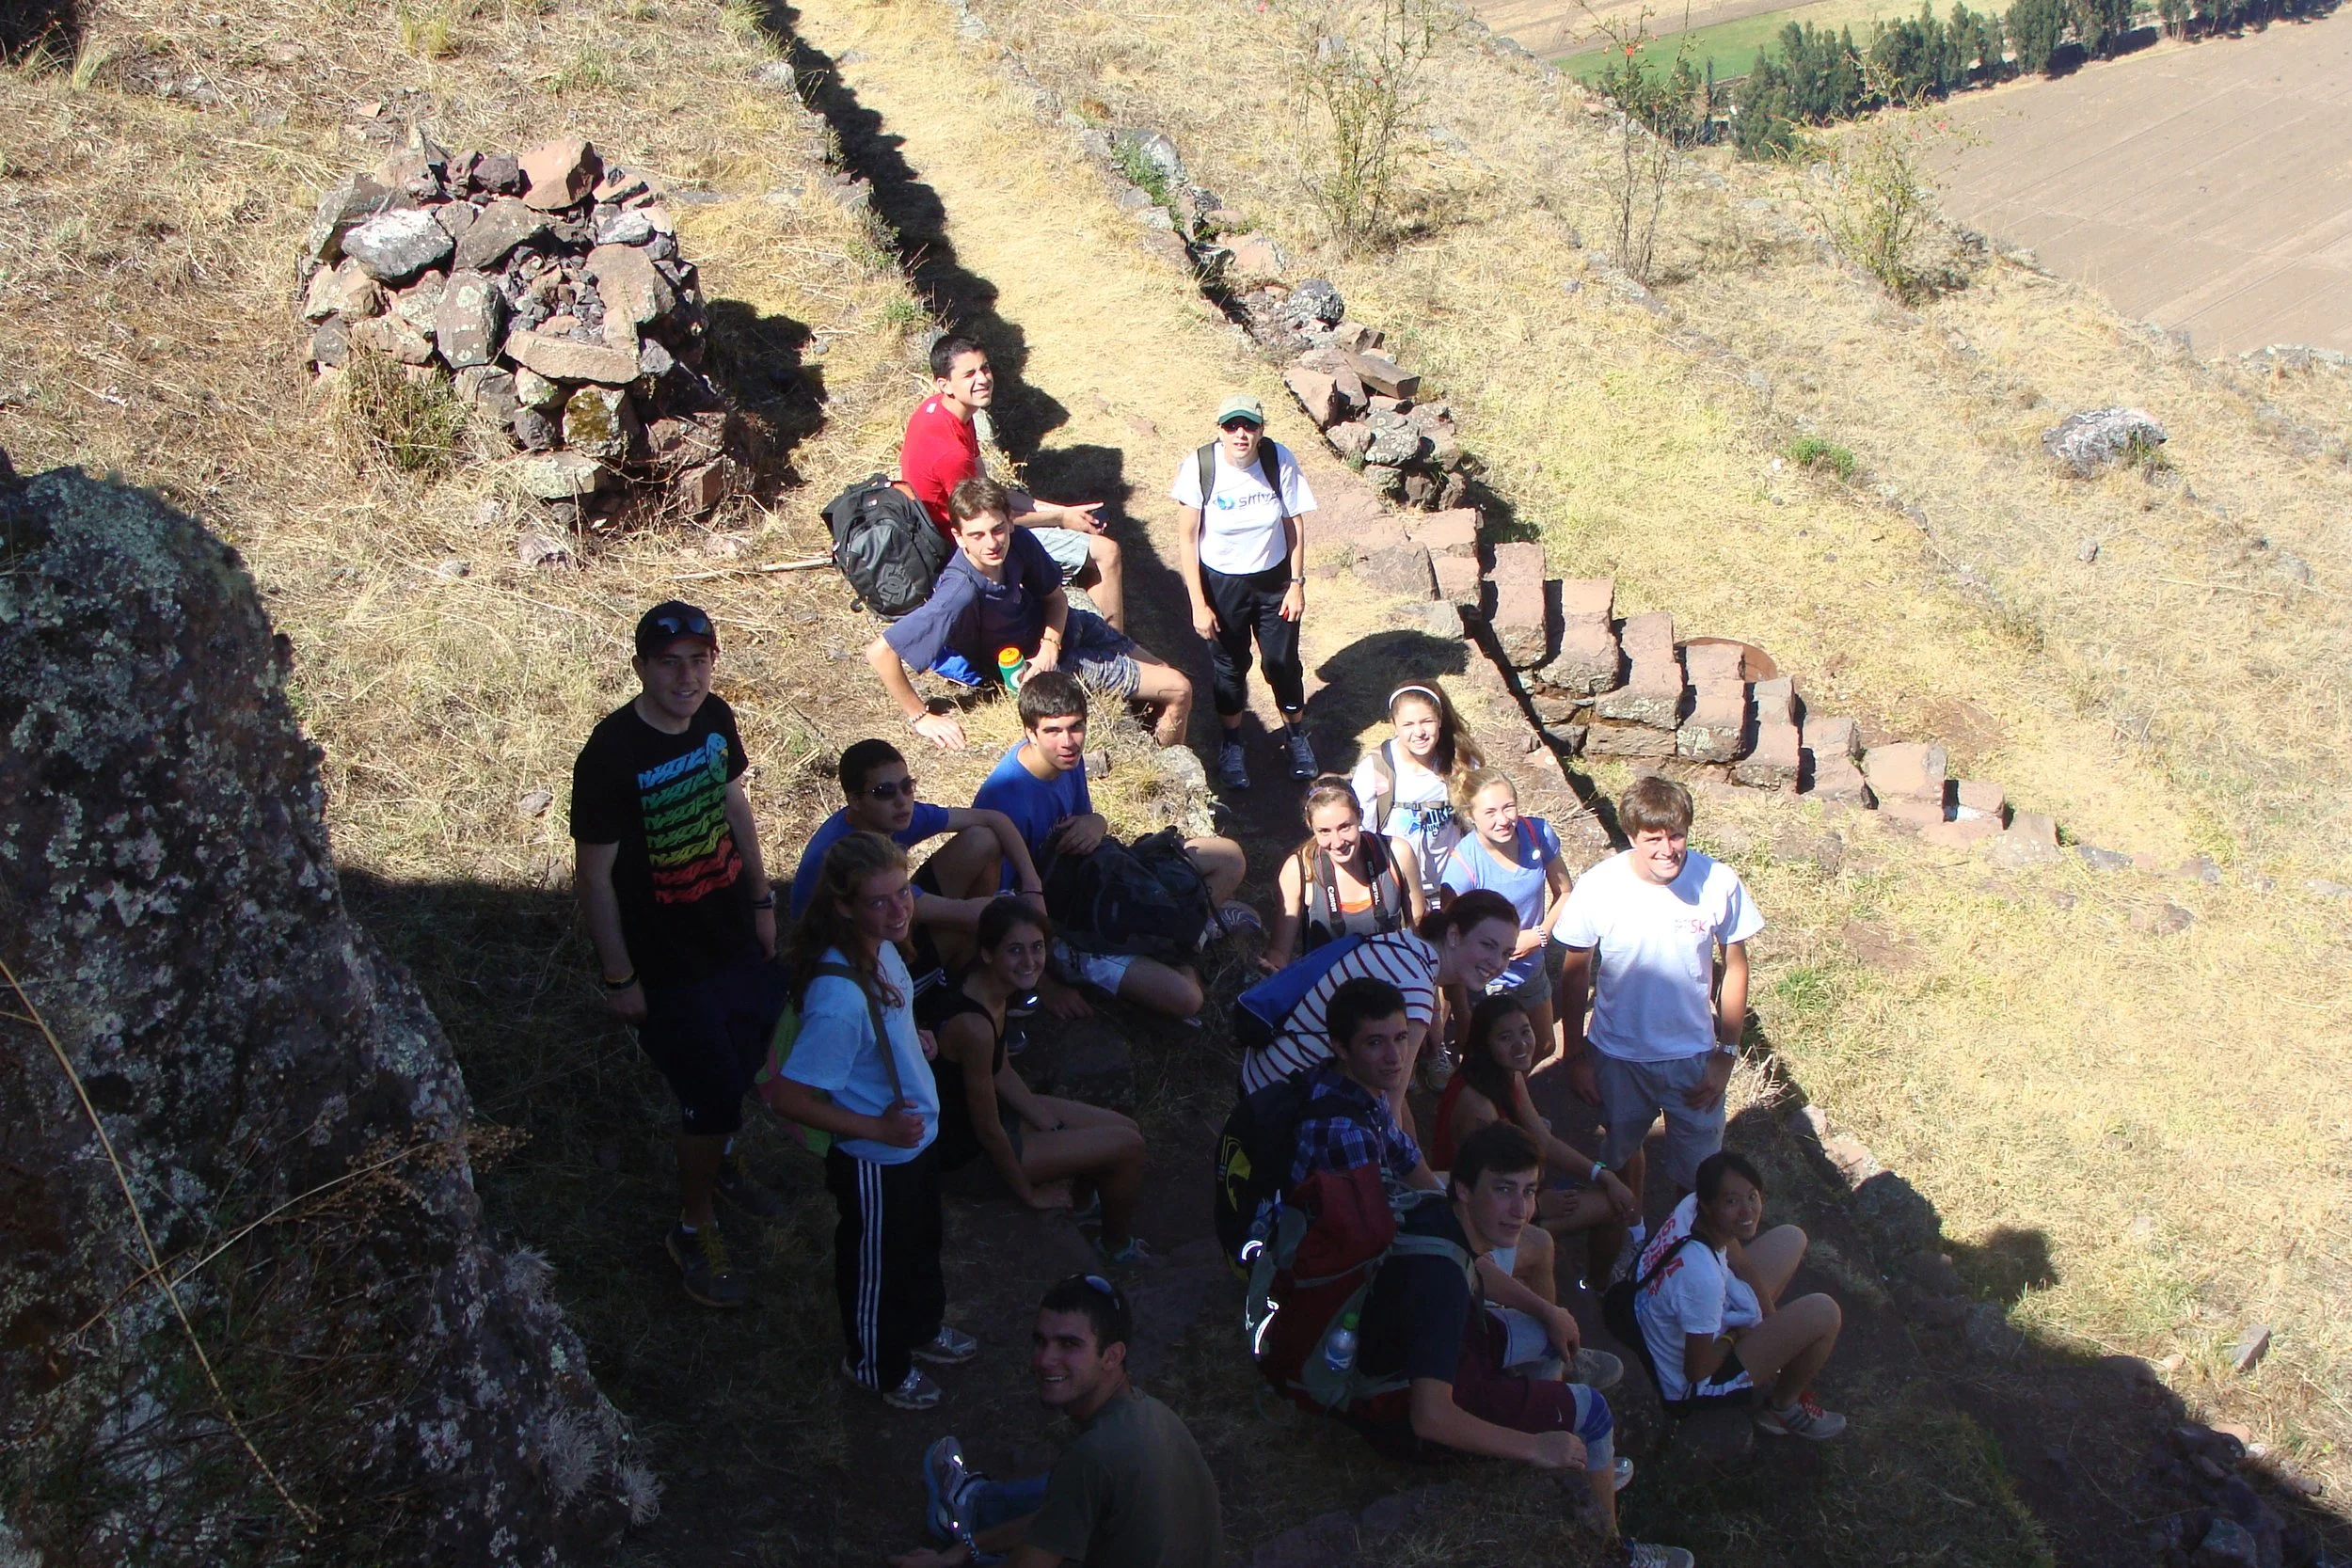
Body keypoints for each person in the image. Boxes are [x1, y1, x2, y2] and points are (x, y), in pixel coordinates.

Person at [570, 599, 788, 1309]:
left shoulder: (716, 718)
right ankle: (692, 1227)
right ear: (641, 668)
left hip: (730, 930)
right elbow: (595, 876)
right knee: (709, 1093)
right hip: (665, 958)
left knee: (749, 1054)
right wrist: (619, 973)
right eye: (669, 663)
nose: (686, 676)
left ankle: (723, 1162)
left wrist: (761, 900)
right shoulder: (611, 754)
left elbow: (733, 807)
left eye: (699, 659)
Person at [1347, 1122, 1692, 1568]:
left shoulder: (1439, 1211)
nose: (1520, 1209)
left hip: (1437, 1353)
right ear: (1466, 1190)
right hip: (1406, 1410)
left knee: (1542, 1333)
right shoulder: (1440, 1288)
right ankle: (1610, 1552)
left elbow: (1476, 1266)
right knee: (1594, 1412)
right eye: (1504, 1190)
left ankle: (1569, 1457)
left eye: (1529, 1191)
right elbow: (1428, 1416)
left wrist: (1548, 1311)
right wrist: (1535, 1448)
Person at [1289, 979, 1609, 1388]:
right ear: (1340, 1046)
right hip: (1362, 1276)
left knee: (1508, 1238)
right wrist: (1471, 1248)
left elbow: (1410, 1163)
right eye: (1374, 1043)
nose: (1394, 1057)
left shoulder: (1358, 1091)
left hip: (1380, 1224)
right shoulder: (1342, 1131)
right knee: (1530, 1248)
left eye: (1401, 1038)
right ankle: (1541, 1373)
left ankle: (1544, 1355)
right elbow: (1382, 1241)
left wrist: (1456, 1218)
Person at [763, 833, 977, 1411]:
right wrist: (879, 1131)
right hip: (876, 1158)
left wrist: (916, 1039)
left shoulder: (880, 947)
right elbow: (789, 1097)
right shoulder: (839, 999)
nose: (900, 908)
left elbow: (886, 1029)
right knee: (877, 1264)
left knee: (920, 1244)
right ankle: (874, 1364)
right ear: (844, 906)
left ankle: (923, 1327)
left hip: (913, 1141)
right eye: (880, 900)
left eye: (903, 892)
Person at [1554, 775, 1762, 1270]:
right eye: (1654, 839)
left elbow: (1735, 967)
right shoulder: (1600, 886)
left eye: (1676, 836)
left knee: (1698, 1177)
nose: (1668, 850)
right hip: (1617, 1057)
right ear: (1632, 836)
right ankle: (1630, 1235)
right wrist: (1574, 1053)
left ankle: (1683, 1258)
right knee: (1621, 1156)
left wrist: (1725, 1057)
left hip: (1692, 1061)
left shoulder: (1718, 882)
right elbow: (1574, 969)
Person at [973, 672, 1247, 1022]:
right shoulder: (1004, 797)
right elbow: (999, 907)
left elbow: (1087, 823)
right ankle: (1181, 940)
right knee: (1188, 999)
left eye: (1076, 727)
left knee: (1229, 857)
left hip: (1103, 876)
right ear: (1029, 732)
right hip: (1068, 924)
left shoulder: (1065, 762)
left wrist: (1097, 822)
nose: (1068, 741)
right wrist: (1045, 983)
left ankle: (1180, 936)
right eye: (1052, 731)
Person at [898, 1275, 1224, 1568]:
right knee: (1059, 1487)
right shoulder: (1152, 1414)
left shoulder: (1093, 1456)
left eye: (1069, 1344)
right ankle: (974, 1508)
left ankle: (971, 1507)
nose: (1044, 1360)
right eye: (1040, 1341)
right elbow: (1060, 1516)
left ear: (1112, 1355)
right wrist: (966, 1548)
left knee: (1070, 1480)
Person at [868, 479, 1195, 752]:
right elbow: (881, 652)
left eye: (998, 530)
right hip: (1047, 666)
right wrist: (920, 716)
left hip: (1065, 632)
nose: (992, 544)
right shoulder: (959, 590)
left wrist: (1049, 643)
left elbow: (1055, 597)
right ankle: (1165, 767)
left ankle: (1151, 745)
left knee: (1163, 673)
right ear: (958, 537)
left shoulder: (1018, 541)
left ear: (1010, 521)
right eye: (977, 535)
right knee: (1179, 689)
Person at [922, 898, 1152, 1266]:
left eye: (1037, 947)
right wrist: (1029, 1193)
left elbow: (999, 1070)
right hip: (968, 1158)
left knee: (1127, 1127)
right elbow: (987, 1130)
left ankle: (1080, 1205)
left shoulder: (990, 989)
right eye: (1014, 950)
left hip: (998, 1122)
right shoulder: (973, 1024)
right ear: (987, 952)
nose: (1029, 961)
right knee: (1128, 1147)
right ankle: (1115, 1246)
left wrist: (1050, 1124)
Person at [900, 333, 1124, 627]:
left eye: (985, 368)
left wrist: (1060, 512)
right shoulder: (951, 453)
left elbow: (988, 488)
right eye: (969, 374)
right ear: (945, 384)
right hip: (967, 544)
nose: (982, 379)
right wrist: (1059, 517)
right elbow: (992, 522)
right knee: (1108, 553)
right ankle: (1118, 649)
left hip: (971, 521)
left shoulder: (941, 411)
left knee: (1082, 539)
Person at [788, 740, 1044, 996]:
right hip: (852, 961)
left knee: (982, 839)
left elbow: (993, 818)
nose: (901, 801)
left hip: (883, 916)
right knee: (976, 925)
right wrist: (1016, 917)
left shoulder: (894, 815)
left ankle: (965, 972)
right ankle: (953, 994)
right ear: (854, 800)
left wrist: (1033, 887)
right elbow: (964, 913)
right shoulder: (849, 855)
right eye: (884, 791)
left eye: (906, 786)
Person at [1632, 1150, 1846, 1440]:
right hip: (1689, 1384)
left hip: (1669, 1314)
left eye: (1752, 1196)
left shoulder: (1690, 1208)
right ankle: (1781, 1407)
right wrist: (1737, 1335)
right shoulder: (1703, 1278)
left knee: (1791, 1237)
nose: (1747, 1211)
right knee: (1825, 1312)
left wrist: (1770, 1326)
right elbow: (1696, 1370)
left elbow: (1742, 1265)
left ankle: (1771, 1359)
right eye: (1731, 1201)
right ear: (1708, 1205)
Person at [1432, 996, 1643, 1288]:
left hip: (1507, 1195)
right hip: (1477, 1220)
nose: (1521, 1045)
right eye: (1505, 1037)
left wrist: (1603, 1174)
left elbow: (1543, 1140)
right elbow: (1482, 1189)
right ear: (1485, 1043)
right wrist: (1539, 1207)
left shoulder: (1506, 1073)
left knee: (1610, 1193)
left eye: (1525, 1031)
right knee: (1612, 1209)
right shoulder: (1479, 1107)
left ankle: (1596, 1285)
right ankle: (1597, 1287)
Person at [1235, 890, 1519, 1102]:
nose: (1496, 962)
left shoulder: (1405, 943)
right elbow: (1388, 1105)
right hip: (1282, 1102)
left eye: (1506, 953)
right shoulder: (1416, 990)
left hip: (1260, 1073)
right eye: (1487, 945)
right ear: (1455, 935)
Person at [1170, 392, 1318, 790]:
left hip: (1274, 583)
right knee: (1230, 668)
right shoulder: (1201, 466)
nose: (1240, 434)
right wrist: (1199, 604)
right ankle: (1233, 744)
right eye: (1231, 426)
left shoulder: (1277, 459)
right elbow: (1187, 539)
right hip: (1223, 585)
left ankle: (1296, 736)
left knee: (1282, 664)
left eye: (1249, 425)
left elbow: (1294, 525)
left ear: (1261, 430)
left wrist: (1296, 584)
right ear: (1219, 430)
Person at [1440, 769, 1571, 1067]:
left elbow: (1565, 892)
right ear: (1471, 815)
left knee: (1544, 1044)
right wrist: (1461, 1011)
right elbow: (1449, 942)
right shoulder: (1462, 868)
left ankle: (1511, 1100)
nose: (1503, 820)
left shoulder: (1538, 834)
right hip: (1486, 979)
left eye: (1508, 807)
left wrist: (1540, 935)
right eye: (1490, 812)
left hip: (1530, 967)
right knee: (1493, 1058)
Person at [1258, 775, 1426, 974]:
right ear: (1310, 826)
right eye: (1324, 831)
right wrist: (1272, 971)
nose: (1337, 842)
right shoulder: (1299, 871)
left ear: (1360, 816)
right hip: (1327, 995)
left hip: (1392, 984)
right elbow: (1279, 952)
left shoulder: (1397, 854)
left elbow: (1420, 930)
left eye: (1345, 827)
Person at [1348, 683, 1485, 897]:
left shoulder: (1462, 763)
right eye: (1408, 724)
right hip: (1397, 887)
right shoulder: (1375, 770)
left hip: (1454, 884)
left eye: (1427, 721)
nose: (1419, 732)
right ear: (1394, 724)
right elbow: (1362, 833)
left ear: (1439, 720)